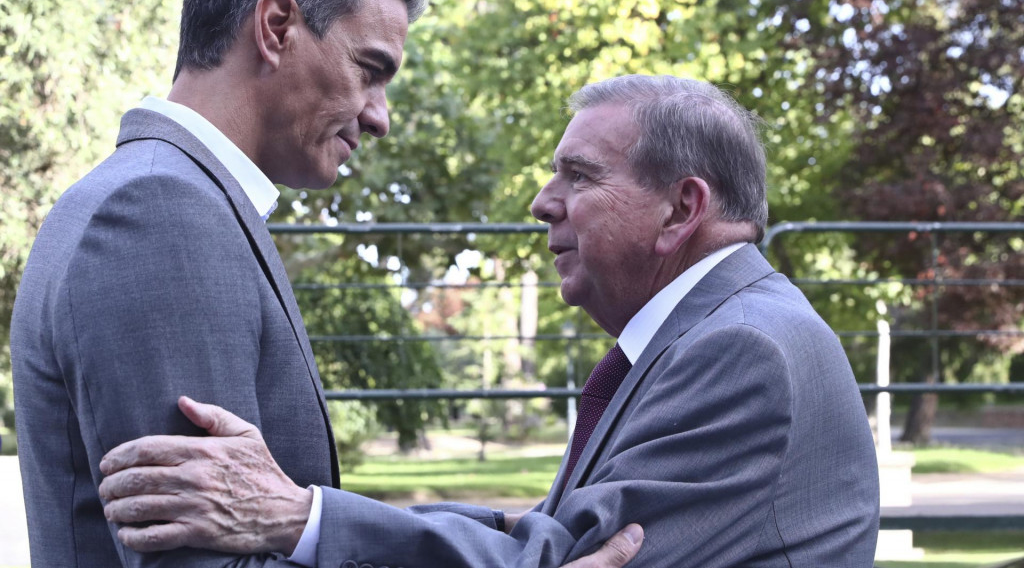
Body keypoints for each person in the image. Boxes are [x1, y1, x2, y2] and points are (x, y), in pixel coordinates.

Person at [9, 0, 635, 568]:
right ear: (276, 27)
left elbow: (281, 511)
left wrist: (501, 528)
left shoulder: (157, 195)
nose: (381, 118)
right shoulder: (162, 213)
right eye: (371, 70)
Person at [99, 75, 881, 567]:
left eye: (578, 176)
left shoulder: (742, 350)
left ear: (682, 208)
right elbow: (550, 531)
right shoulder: (721, 330)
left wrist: (295, 517)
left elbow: (562, 554)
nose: (542, 202)